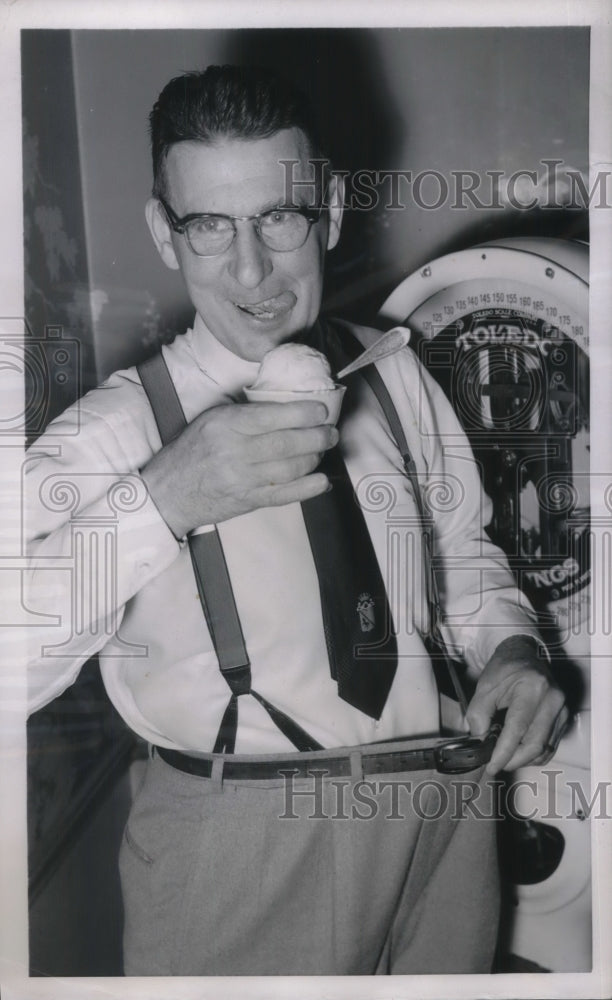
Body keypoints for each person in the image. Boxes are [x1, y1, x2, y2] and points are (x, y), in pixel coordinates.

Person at [25, 65, 568, 976]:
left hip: (442, 816)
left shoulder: (393, 370)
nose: (252, 270)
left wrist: (513, 649)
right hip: (238, 854)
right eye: (210, 227)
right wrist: (163, 502)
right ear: (166, 233)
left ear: (334, 211)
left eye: (281, 218)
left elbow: (461, 554)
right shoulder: (113, 432)